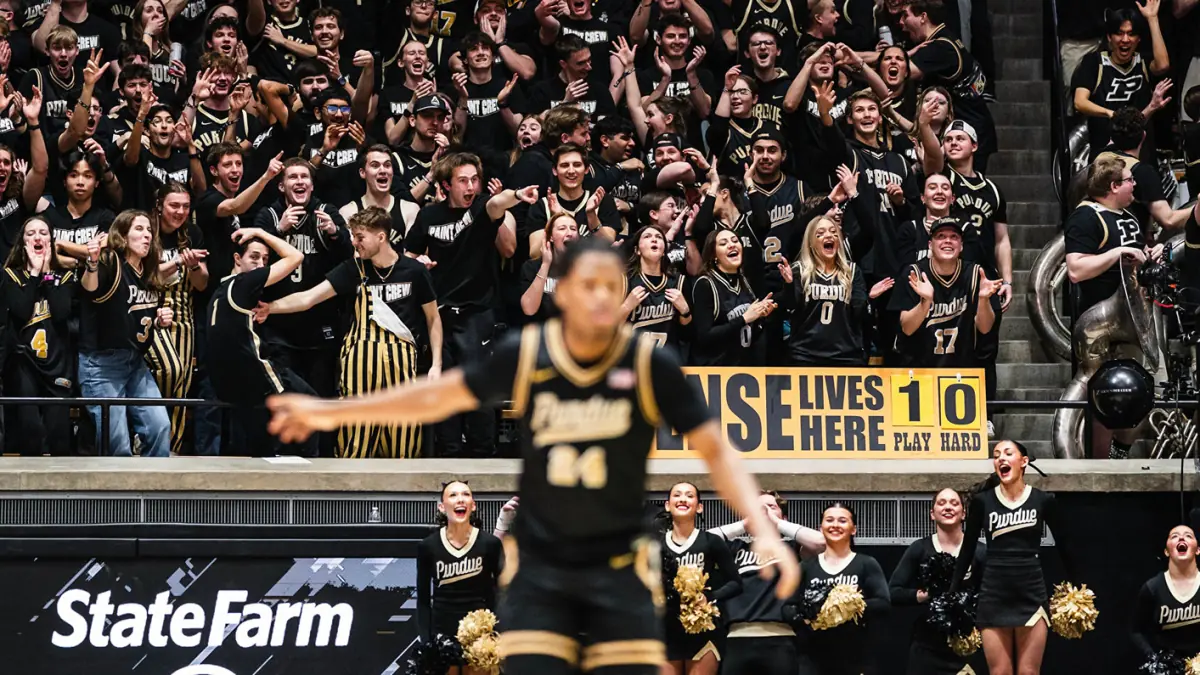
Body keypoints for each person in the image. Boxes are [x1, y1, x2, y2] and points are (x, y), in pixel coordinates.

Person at [266, 237, 801, 675]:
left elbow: (716, 451)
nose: (599, 296)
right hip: (543, 569)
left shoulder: (647, 362)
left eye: (610, 285)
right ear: (563, 292)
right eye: (587, 284)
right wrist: (332, 412)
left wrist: (761, 524)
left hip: (619, 567)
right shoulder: (528, 353)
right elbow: (437, 396)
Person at [260, 207, 442, 459]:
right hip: (358, 368)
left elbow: (433, 318)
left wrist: (436, 365)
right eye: (353, 236)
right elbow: (308, 298)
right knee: (355, 443)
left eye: (360, 237)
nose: (354, 243)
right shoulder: (352, 269)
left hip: (401, 367)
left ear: (381, 237)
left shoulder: (414, 271)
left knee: (403, 444)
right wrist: (270, 307)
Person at [403, 152, 533, 458]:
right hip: (440, 314)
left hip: (478, 313)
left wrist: (516, 195)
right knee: (444, 386)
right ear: (446, 185)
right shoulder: (429, 216)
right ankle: (449, 454)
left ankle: (482, 454)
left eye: (475, 179)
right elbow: (407, 256)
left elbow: (497, 204)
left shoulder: (480, 209)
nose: (471, 186)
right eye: (463, 180)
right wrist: (419, 263)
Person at [952, 440, 1077, 675]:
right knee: (1000, 672)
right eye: (996, 455)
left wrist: (1077, 586)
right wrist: (953, 591)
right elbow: (967, 549)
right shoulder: (983, 502)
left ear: (1023, 461)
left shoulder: (1043, 500)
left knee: (1028, 672)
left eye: (1008, 453)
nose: (1001, 458)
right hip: (994, 593)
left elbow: (1065, 544)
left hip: (1030, 591)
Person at [206, 227, 312, 456]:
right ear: (237, 259)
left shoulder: (220, 291)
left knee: (255, 446)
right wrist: (261, 232)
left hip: (226, 382)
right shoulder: (244, 282)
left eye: (265, 259)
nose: (261, 264)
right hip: (254, 376)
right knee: (310, 406)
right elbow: (296, 256)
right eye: (254, 257)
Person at [78, 210, 174, 457]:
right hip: (102, 363)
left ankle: (154, 481)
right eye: (139, 229)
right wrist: (91, 263)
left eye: (149, 230)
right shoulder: (110, 261)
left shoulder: (148, 271)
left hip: (135, 363)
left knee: (160, 426)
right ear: (122, 235)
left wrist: (159, 320)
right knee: (117, 443)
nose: (147, 235)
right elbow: (90, 289)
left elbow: (137, 313)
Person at [710, 491, 823, 675]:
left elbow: (821, 543)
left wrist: (777, 523)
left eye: (771, 507)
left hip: (780, 639)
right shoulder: (736, 547)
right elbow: (700, 542)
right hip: (737, 639)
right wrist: (744, 524)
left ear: (784, 517)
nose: (764, 512)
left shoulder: (792, 548)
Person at [1, 216, 78, 456]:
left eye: (44, 233)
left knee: (58, 434)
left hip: (57, 363)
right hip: (24, 363)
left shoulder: (65, 277)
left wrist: (46, 274)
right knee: (30, 430)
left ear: (51, 241)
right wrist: (34, 274)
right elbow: (21, 311)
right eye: (31, 233)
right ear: (22, 242)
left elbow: (61, 312)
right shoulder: (11, 276)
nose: (38, 237)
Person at [890, 488, 988, 675]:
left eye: (954, 503)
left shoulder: (979, 551)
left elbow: (992, 595)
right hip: (927, 646)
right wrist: (924, 595)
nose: (948, 507)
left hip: (967, 644)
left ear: (963, 513)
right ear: (932, 514)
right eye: (941, 503)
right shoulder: (919, 548)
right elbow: (893, 592)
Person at [787, 503, 890, 675]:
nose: (835, 525)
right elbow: (787, 606)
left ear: (853, 529)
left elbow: (884, 603)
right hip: (813, 659)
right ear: (821, 528)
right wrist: (808, 616)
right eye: (829, 520)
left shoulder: (866, 564)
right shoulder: (806, 567)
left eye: (842, 521)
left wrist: (848, 606)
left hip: (856, 659)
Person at [415, 480, 505, 675]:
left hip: (480, 639)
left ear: (473, 505)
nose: (460, 499)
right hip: (443, 638)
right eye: (453, 495)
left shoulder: (490, 544)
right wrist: (427, 642)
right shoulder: (428, 546)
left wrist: (497, 635)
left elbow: (502, 594)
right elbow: (423, 600)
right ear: (442, 507)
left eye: (466, 494)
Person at [145, 183, 207, 456]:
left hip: (184, 315)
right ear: (159, 205)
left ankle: (171, 450)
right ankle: (148, 438)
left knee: (181, 385)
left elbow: (202, 283)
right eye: (174, 205)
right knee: (170, 370)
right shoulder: (145, 231)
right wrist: (179, 262)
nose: (180, 212)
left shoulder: (192, 234)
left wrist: (193, 266)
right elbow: (145, 278)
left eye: (185, 206)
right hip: (149, 311)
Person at [891, 218, 1002, 369]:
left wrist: (983, 300)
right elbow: (907, 329)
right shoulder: (914, 274)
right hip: (920, 369)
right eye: (941, 236)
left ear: (961, 246)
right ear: (930, 245)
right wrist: (925, 302)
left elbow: (985, 328)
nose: (948, 241)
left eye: (954, 236)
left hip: (963, 369)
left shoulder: (977, 274)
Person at [783, 215, 890, 366]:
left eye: (833, 232)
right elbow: (790, 308)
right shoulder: (799, 271)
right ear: (811, 243)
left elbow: (859, 315)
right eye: (820, 233)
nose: (829, 235)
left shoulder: (852, 271)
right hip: (805, 355)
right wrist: (788, 284)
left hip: (846, 355)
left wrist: (870, 298)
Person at [659, 482, 741, 675]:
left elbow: (736, 583)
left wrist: (709, 597)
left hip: (703, 630)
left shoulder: (712, 541)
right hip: (666, 629)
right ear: (668, 505)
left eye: (689, 496)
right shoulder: (657, 544)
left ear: (699, 507)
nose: (683, 499)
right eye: (677, 495)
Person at [1071, 4, 1171, 163]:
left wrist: (1152, 19)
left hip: (1141, 153)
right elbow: (1079, 102)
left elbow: (1163, 65)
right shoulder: (1094, 62)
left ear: (1138, 39)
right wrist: (1110, 113)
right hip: (1105, 154)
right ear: (1109, 37)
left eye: (1131, 34)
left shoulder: (1142, 61)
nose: (1125, 40)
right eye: (1119, 33)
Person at [688, 229, 776, 366]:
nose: (731, 245)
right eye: (723, 243)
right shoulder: (705, 284)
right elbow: (704, 336)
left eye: (735, 241)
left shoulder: (744, 280)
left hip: (744, 366)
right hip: (715, 370)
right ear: (713, 254)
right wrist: (744, 318)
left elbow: (748, 334)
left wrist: (760, 316)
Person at [1131, 525, 1200, 665]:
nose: (1181, 538)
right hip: (1168, 668)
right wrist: (1153, 659)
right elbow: (1136, 631)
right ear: (1166, 551)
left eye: (1188, 535)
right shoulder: (1152, 588)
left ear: (1198, 550)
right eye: (1174, 536)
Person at [623, 226, 691, 350]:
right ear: (637, 250)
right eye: (647, 236)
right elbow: (607, 328)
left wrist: (685, 311)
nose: (654, 239)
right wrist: (626, 307)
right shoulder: (625, 280)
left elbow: (687, 333)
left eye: (659, 237)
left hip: (667, 356)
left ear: (664, 251)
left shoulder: (678, 281)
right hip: (631, 357)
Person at [520, 212, 577, 323]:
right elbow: (529, 309)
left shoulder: (583, 269)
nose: (569, 233)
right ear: (551, 237)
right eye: (562, 228)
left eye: (573, 229)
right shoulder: (532, 267)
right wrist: (545, 264)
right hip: (542, 329)